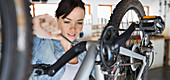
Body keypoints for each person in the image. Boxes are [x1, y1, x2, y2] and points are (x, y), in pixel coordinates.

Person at [29, 0, 95, 80]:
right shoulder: (42, 43)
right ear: (57, 19)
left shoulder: (85, 50)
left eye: (79, 23)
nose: (73, 28)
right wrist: (31, 26)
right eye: (67, 22)